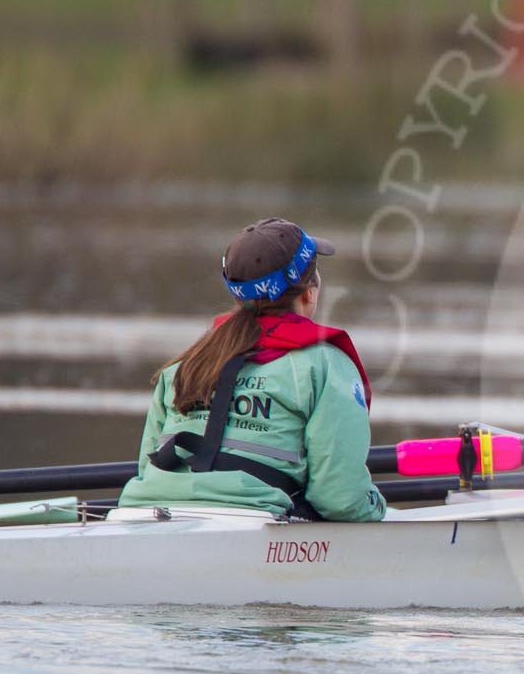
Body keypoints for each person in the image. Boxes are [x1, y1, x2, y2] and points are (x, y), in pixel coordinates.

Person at [119, 218, 385, 520]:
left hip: (141, 513)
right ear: (308, 292)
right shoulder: (325, 365)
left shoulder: (187, 362)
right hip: (252, 522)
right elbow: (340, 499)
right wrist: (377, 506)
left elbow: (146, 466)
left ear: (236, 294)